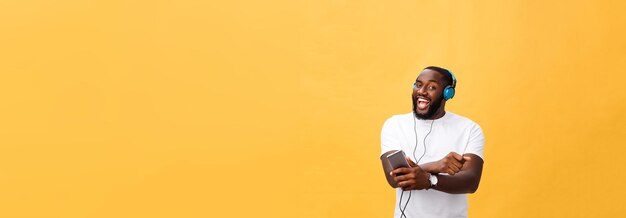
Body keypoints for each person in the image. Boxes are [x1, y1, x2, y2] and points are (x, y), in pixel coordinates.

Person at [380, 66, 485, 218]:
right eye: (418, 84)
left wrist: (431, 180)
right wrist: (437, 166)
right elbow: (394, 178)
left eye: (431, 87)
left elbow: (471, 181)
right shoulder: (394, 125)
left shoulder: (469, 129)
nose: (422, 91)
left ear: (447, 93)